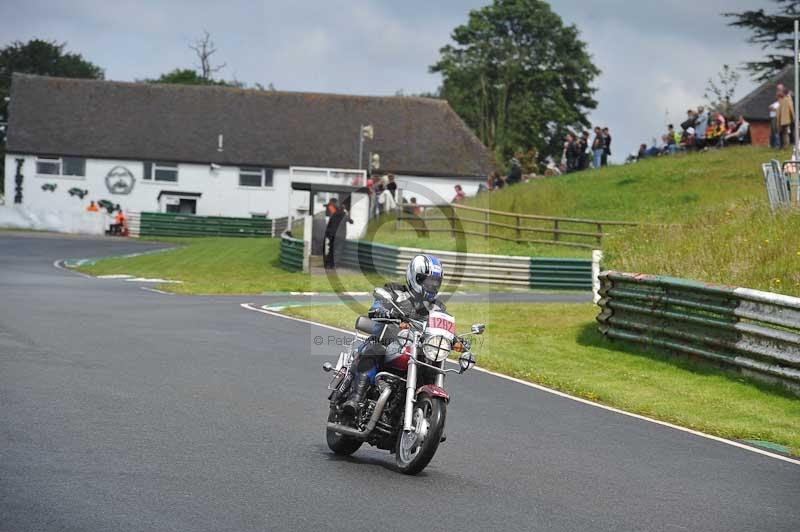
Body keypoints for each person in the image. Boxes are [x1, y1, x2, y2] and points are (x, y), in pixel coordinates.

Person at [341, 254, 446, 416]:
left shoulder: (437, 307)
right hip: (388, 341)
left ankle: (427, 416)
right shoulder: (393, 291)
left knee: (432, 364)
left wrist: (455, 339)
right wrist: (383, 311)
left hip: (416, 350)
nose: (431, 286)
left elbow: (443, 326)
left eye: (434, 282)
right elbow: (378, 303)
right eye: (427, 281)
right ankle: (356, 399)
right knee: (375, 348)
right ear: (414, 277)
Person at [324, 204, 353, 269]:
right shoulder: (345, 216)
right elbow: (351, 221)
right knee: (338, 250)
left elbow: (329, 225)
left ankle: (328, 264)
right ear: (343, 209)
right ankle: (334, 265)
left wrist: (328, 234)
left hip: (332, 235)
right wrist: (347, 213)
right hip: (340, 236)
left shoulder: (333, 215)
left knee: (331, 249)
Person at [777, 83, 795, 148]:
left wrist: (793, 118)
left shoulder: (787, 99)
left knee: (785, 133)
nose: (779, 92)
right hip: (782, 119)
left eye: (780, 91)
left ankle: (786, 146)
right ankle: (782, 145)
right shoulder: (782, 99)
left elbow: (791, 108)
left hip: (785, 119)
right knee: (782, 133)